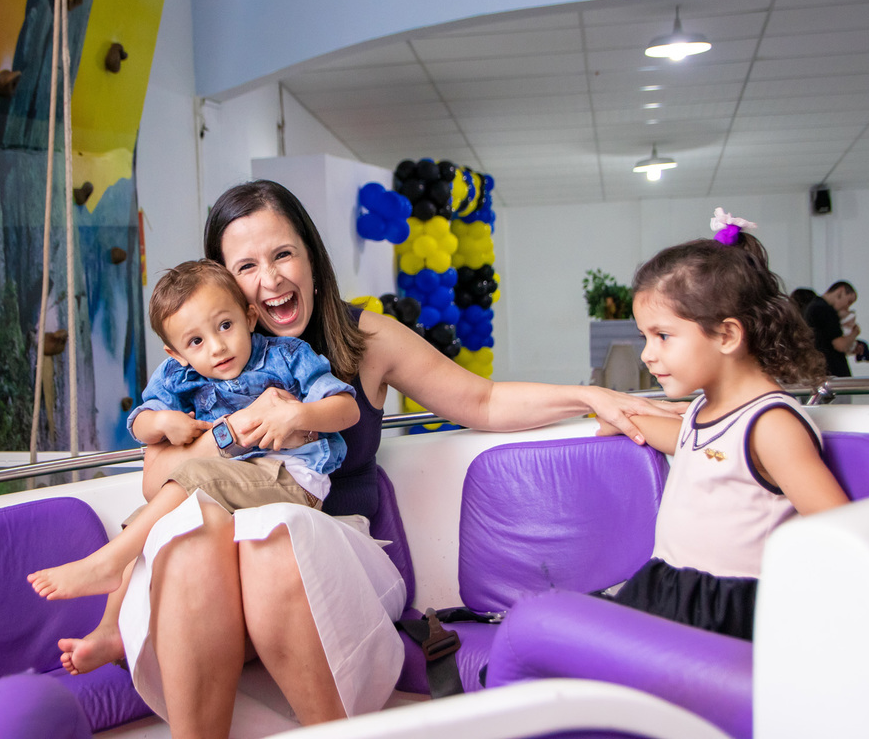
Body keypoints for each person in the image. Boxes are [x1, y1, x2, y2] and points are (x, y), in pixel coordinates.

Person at [60, 180, 684, 737]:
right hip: (217, 587)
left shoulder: (363, 338)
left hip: (332, 559)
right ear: (222, 282)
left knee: (271, 531)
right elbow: (157, 480)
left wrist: (587, 395)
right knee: (194, 534)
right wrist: (238, 426)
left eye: (283, 255)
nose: (271, 280)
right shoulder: (196, 366)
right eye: (246, 266)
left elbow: (483, 400)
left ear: (311, 257)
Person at [27, 259, 359, 601]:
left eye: (226, 325)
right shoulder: (177, 375)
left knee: (196, 475)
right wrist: (161, 422)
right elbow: (141, 424)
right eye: (196, 341)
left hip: (292, 479)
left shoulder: (287, 355)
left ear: (249, 318)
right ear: (177, 353)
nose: (217, 347)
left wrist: (296, 415)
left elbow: (348, 409)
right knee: (145, 521)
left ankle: (107, 561)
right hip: (227, 478)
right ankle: (110, 621)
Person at [603, 209, 849, 640]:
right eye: (645, 337)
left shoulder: (770, 425)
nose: (647, 354)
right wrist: (620, 415)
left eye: (662, 336)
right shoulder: (706, 409)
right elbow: (686, 444)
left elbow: (843, 531)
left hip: (722, 613)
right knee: (545, 625)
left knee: (547, 628)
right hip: (672, 590)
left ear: (727, 335)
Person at [804, 280, 859, 377]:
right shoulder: (826, 310)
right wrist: (855, 332)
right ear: (841, 290)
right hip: (832, 370)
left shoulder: (813, 306)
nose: (847, 307)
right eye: (848, 301)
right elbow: (840, 345)